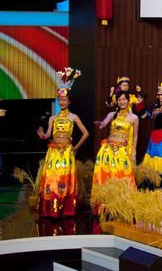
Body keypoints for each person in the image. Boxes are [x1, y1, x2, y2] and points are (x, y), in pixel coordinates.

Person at [36, 86, 89, 217]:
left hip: (66, 152)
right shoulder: (52, 118)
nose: (62, 102)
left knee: (64, 179)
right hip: (53, 151)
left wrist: (75, 147)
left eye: (64, 100)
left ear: (69, 101)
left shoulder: (73, 117)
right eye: (60, 100)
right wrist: (43, 136)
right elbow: (49, 134)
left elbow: (86, 133)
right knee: (51, 178)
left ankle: (65, 209)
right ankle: (51, 209)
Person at [93, 92, 138, 187]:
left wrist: (133, 152)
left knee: (122, 176)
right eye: (119, 100)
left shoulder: (134, 118)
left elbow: (135, 136)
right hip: (108, 149)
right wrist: (101, 124)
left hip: (122, 150)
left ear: (128, 100)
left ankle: (120, 200)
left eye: (124, 99)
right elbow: (104, 122)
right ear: (116, 102)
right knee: (107, 176)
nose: (122, 102)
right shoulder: (112, 114)